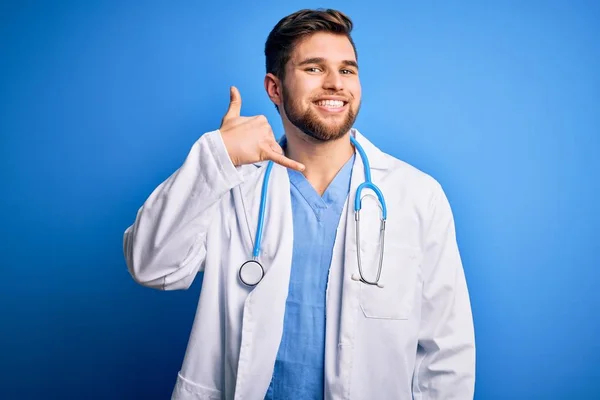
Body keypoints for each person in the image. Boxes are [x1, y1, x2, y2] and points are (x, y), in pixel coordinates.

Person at [123, 8, 475, 400]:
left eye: (347, 70)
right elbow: (150, 265)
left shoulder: (417, 195)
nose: (335, 84)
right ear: (274, 88)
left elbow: (447, 352)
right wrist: (216, 156)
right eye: (313, 69)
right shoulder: (233, 184)